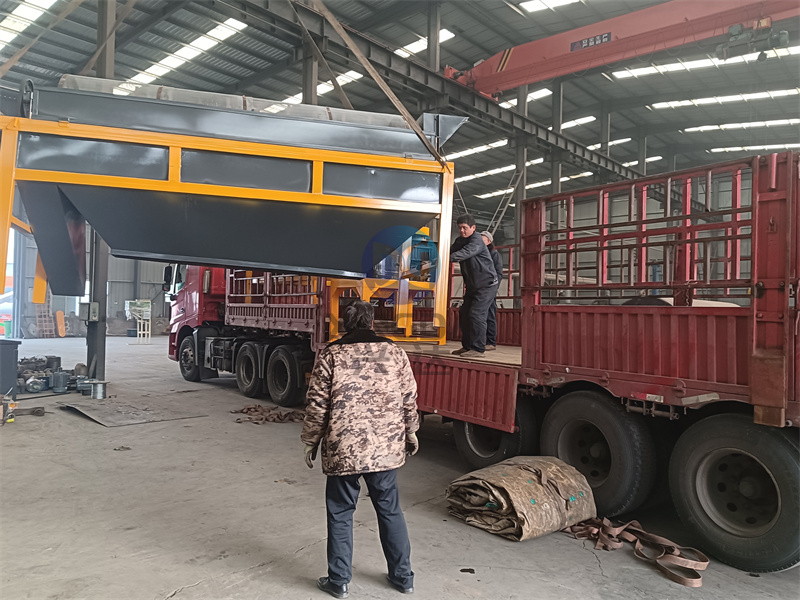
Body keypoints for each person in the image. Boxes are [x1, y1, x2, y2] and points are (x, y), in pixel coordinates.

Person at [302, 300, 420, 599]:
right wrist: (411, 431)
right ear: (372, 323)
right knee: (389, 510)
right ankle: (403, 578)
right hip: (385, 449)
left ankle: (339, 581)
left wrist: (311, 440)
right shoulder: (394, 352)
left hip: (344, 449)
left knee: (341, 512)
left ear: (345, 323)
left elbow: (317, 403)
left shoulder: (331, 354)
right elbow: (408, 396)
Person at [450, 214, 499, 357]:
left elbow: (464, 253)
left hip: (487, 285)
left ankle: (478, 349)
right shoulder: (460, 240)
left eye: (465, 228)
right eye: (460, 228)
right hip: (473, 285)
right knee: (465, 314)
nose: (462, 231)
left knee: (477, 314)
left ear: (473, 228)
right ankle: (467, 347)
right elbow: (449, 251)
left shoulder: (476, 240)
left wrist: (444, 259)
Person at [480, 231, 504, 351]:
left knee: (489, 315)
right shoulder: (478, 254)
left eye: (482, 239)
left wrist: (493, 289)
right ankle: (479, 341)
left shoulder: (494, 255)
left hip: (489, 289)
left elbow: (499, 273)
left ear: (489, 241)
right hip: (479, 289)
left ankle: (491, 342)